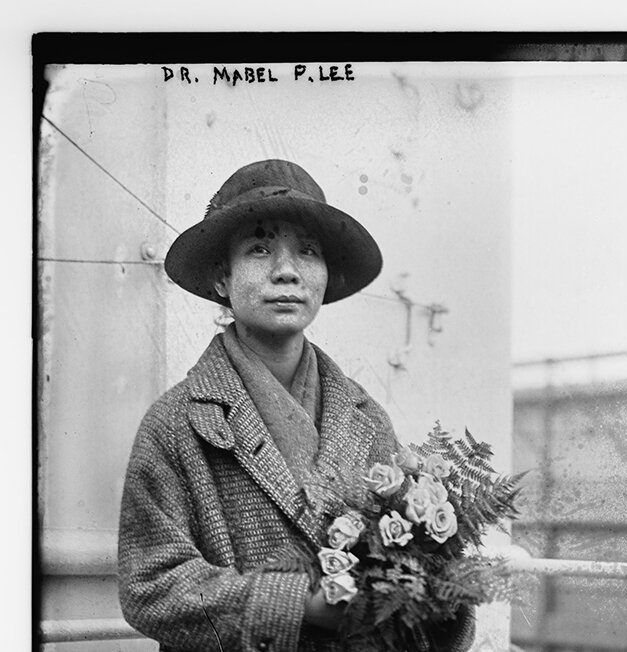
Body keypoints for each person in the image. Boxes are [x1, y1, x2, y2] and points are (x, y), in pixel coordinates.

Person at [117, 160, 475, 652]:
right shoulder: (176, 423)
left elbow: (414, 571)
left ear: (325, 276)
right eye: (259, 248)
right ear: (223, 278)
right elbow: (151, 586)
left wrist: (436, 599)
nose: (286, 271)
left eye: (307, 251)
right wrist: (297, 605)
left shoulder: (365, 418)